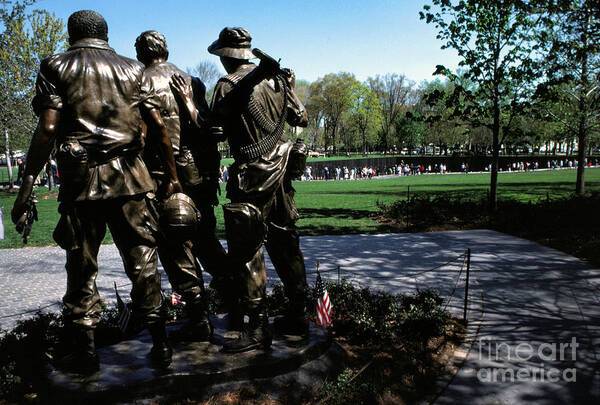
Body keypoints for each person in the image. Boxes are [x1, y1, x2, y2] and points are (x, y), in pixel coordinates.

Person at [11, 10, 181, 374]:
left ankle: (86, 352)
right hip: (132, 181)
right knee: (143, 263)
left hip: (81, 182)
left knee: (81, 268)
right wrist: (171, 175)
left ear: (72, 33)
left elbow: (48, 127)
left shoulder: (56, 65)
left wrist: (27, 184)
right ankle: (161, 343)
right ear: (105, 34)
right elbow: (159, 126)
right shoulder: (134, 69)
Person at [172, 27, 309, 353]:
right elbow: (300, 117)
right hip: (282, 173)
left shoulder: (227, 85)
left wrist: (190, 105)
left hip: (252, 178)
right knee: (285, 245)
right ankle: (298, 315)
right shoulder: (275, 80)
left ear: (224, 56)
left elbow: (212, 132)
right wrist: (289, 88)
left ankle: (257, 328)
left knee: (248, 253)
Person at [135, 30, 227, 341]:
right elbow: (209, 129)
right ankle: (238, 300)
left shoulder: (139, 81)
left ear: (140, 53)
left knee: (175, 248)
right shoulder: (193, 81)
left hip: (163, 176)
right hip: (197, 174)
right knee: (205, 241)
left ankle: (199, 317)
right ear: (166, 49)